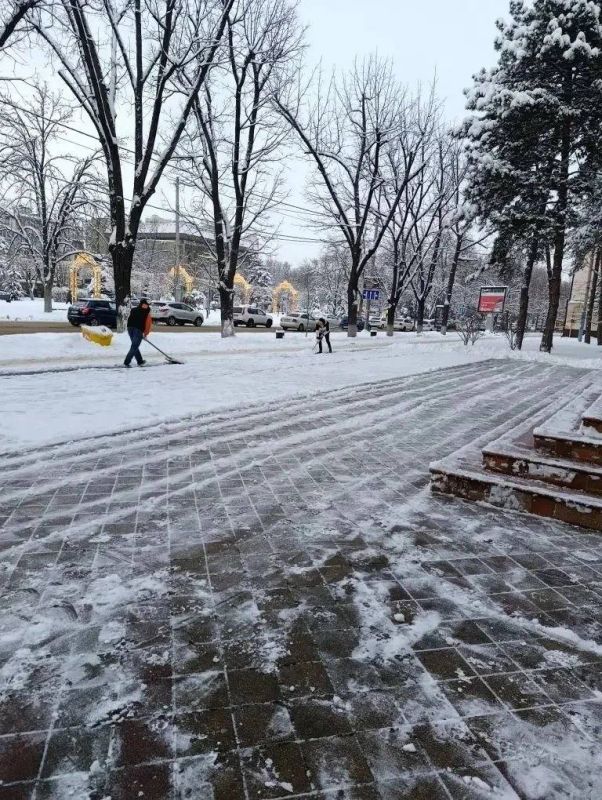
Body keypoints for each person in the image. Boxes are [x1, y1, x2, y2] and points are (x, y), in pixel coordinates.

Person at [124, 298, 152, 367]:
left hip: (130, 328)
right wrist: (145, 334)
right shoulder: (147, 312)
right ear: (142, 304)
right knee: (134, 346)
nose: (146, 306)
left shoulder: (134, 310)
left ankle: (140, 361)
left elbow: (129, 319)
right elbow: (148, 324)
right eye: (145, 304)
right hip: (137, 329)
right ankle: (126, 362)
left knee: (134, 346)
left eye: (146, 305)